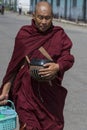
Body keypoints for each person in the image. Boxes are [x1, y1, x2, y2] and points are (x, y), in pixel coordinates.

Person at [0, 1, 74, 130]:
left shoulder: (59, 35)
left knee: (52, 126)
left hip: (50, 96)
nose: (44, 22)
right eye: (40, 17)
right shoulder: (25, 34)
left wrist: (57, 67)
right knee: (29, 126)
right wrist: (5, 92)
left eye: (47, 18)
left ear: (52, 17)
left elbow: (68, 58)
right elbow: (14, 65)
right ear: (33, 16)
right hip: (26, 93)